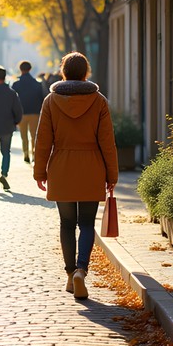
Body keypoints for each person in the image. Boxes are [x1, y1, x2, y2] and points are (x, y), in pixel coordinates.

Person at [33, 51, 118, 300]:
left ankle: (70, 274)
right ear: (85, 73)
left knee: (67, 224)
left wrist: (40, 172)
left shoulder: (51, 101)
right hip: (92, 167)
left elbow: (42, 141)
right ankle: (82, 269)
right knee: (87, 224)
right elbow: (107, 141)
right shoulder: (99, 101)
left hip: (61, 166)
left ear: (64, 72)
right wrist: (111, 174)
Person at [11, 60, 46, 165]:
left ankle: (25, 153)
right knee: (34, 135)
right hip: (35, 112)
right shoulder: (37, 83)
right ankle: (34, 154)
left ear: (20, 69)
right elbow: (41, 97)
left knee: (23, 135)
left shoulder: (16, 84)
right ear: (30, 69)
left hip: (22, 113)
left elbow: (13, 99)